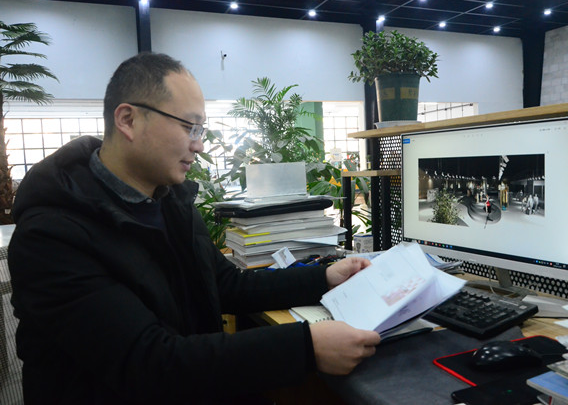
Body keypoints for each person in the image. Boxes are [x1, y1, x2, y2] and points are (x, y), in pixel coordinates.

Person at [8, 52, 380, 405]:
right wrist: (306, 347)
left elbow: (226, 285)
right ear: (128, 120)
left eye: (201, 129)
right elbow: (149, 363)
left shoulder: (168, 200)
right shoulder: (52, 236)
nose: (199, 145)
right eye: (189, 127)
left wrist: (324, 277)